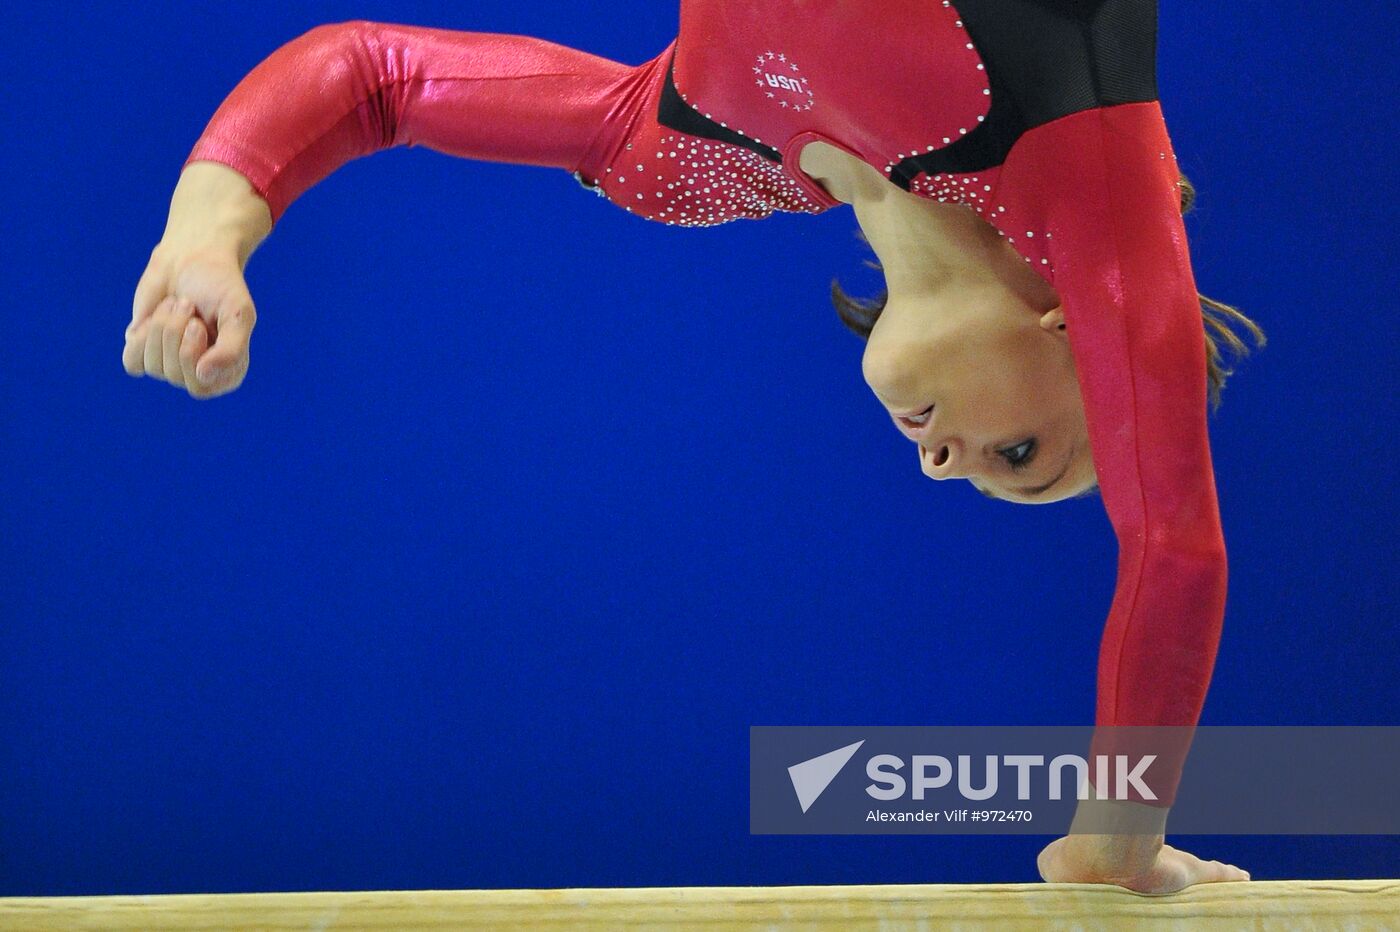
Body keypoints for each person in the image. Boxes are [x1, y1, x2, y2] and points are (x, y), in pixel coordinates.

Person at [122, 1, 1264, 893]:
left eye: (970, 472)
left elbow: (376, 76)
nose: (937, 460)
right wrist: (1119, 832)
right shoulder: (1085, 156)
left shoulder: (700, 151)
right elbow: (1170, 544)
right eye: (1020, 450)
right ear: (1079, 324)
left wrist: (206, 235)